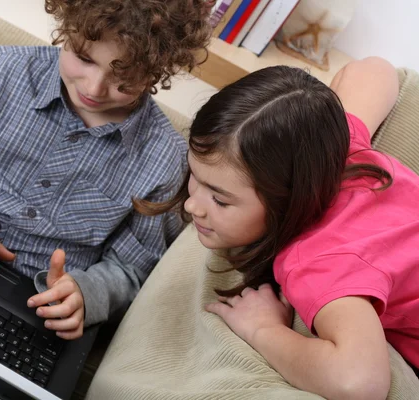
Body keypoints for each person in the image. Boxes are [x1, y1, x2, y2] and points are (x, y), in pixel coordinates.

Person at [0, 0, 214, 341]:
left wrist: (89, 294)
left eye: (126, 76)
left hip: (32, 314)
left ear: (159, 70)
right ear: (66, 27)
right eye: (84, 58)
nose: (94, 88)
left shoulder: (165, 160)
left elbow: (134, 267)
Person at [136, 57, 419, 400]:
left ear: (287, 200)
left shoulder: (319, 259)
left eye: (221, 201)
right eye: (196, 175)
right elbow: (374, 69)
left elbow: (359, 383)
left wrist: (263, 329)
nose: (192, 205)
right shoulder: (336, 147)